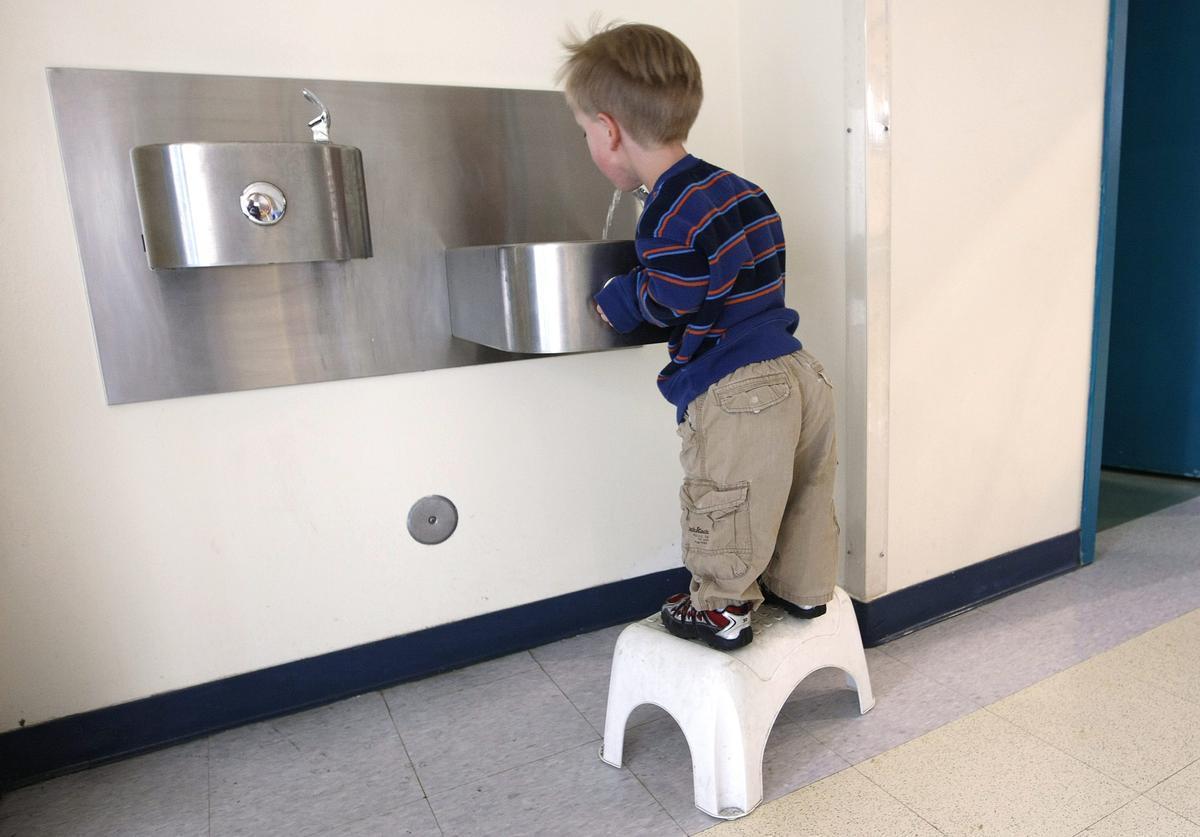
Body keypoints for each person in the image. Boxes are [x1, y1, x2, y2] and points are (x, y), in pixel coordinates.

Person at [558, 22, 840, 651]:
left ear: (607, 130)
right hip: (799, 371)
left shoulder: (666, 210)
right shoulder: (739, 188)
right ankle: (803, 589)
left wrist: (620, 298)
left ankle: (720, 608)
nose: (589, 144)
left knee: (727, 496)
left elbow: (671, 294)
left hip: (737, 386)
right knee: (800, 490)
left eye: (584, 133)